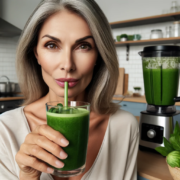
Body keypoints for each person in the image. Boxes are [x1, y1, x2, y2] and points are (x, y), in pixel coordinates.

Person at [0, 0, 139, 180]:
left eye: (83, 46)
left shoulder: (124, 127)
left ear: (99, 54)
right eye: (51, 45)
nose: (67, 65)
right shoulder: (6, 130)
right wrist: (28, 175)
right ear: (36, 53)